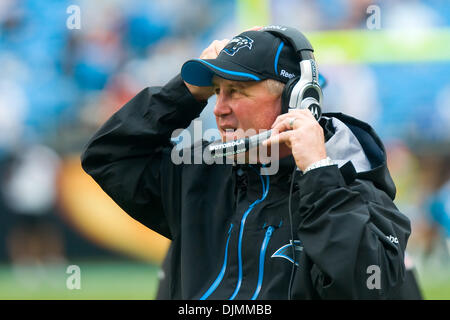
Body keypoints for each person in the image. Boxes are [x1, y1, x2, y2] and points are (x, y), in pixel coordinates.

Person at [81, 26, 411, 299]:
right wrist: (184, 93)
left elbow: (369, 288)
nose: (218, 108)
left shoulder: (356, 194)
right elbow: (108, 156)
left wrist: (318, 177)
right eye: (215, 91)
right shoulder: (200, 174)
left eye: (237, 91)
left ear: (297, 101)